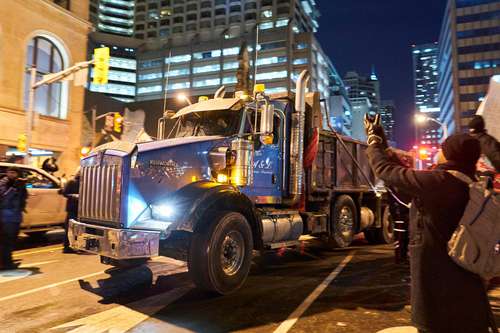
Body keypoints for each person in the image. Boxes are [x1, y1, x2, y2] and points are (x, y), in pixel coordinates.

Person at [364, 115, 493, 333]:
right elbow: (403, 176)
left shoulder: (440, 182)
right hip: (466, 281)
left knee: (435, 325)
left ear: (450, 154)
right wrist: (383, 141)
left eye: (442, 148)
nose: (438, 152)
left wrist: (373, 142)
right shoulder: (468, 184)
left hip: (438, 280)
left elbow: (386, 171)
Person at [0, 167, 28, 270]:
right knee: (6, 241)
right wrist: (14, 187)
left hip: (15, 216)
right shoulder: (3, 183)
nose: (12, 175)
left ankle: (8, 261)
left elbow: (23, 198)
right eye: (10, 172)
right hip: (6, 216)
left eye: (14, 173)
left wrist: (22, 187)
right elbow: (4, 197)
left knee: (11, 241)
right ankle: (6, 264)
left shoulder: (18, 183)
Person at [60, 168, 80, 253]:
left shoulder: (85, 182)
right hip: (72, 208)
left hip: (79, 209)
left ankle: (73, 245)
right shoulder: (72, 182)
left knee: (76, 229)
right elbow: (64, 193)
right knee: (70, 228)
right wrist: (74, 196)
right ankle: (66, 246)